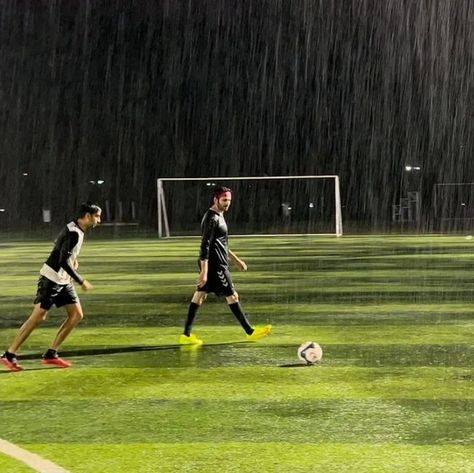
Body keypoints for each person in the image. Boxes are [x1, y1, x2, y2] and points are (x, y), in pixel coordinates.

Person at [1, 202, 102, 372]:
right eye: (97, 216)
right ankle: (9, 355)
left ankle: (51, 354)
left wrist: (72, 259)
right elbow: (62, 260)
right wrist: (81, 280)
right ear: (87, 216)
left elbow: (59, 244)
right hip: (51, 279)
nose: (99, 220)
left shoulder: (75, 228)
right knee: (38, 317)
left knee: (76, 315)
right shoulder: (74, 233)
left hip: (63, 281)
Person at [180, 186, 271, 345]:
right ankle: (250, 332)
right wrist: (204, 271)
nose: (227, 203)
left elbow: (222, 244)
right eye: (224, 200)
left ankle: (186, 336)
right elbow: (205, 245)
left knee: (200, 295)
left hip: (215, 264)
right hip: (215, 266)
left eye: (229, 200)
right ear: (215, 200)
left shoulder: (219, 216)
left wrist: (236, 260)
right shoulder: (212, 218)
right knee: (232, 296)